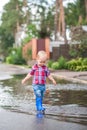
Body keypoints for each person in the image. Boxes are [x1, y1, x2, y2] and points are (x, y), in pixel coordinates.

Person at [22, 50, 56, 115]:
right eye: (41, 62)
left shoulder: (45, 68)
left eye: (44, 62)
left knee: (40, 97)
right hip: (36, 85)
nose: (42, 63)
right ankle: (40, 107)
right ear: (37, 59)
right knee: (38, 94)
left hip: (43, 86)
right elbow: (30, 74)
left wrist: (53, 80)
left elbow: (48, 75)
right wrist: (25, 79)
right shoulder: (34, 67)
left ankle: (38, 108)